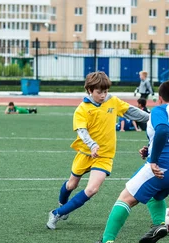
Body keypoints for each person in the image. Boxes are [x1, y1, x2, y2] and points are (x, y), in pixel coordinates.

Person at [86, 80, 169, 243]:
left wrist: (153, 160)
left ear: (159, 98)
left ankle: (107, 242)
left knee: (125, 198)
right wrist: (151, 149)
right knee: (154, 195)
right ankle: (159, 225)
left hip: (164, 166)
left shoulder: (160, 110)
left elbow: (163, 131)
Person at [46, 71, 149, 230]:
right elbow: (81, 131)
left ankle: (57, 213)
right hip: (85, 153)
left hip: (104, 155)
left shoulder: (113, 101)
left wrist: (154, 117)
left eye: (105, 91)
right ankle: (62, 203)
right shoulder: (82, 109)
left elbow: (132, 112)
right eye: (99, 92)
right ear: (89, 91)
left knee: (92, 189)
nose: (103, 95)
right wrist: (92, 145)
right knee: (71, 185)